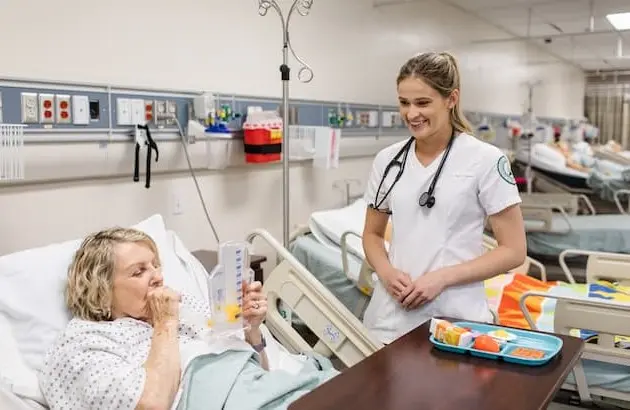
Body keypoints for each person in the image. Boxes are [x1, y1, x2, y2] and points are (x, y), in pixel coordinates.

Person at [39, 227, 337, 410]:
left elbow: (254, 364)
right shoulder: (84, 343)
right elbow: (152, 404)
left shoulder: (186, 307)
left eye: (155, 266)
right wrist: (164, 323)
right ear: (101, 289)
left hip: (270, 387)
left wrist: (253, 331)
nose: (157, 277)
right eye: (139, 271)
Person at [361, 51, 527, 344]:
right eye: (404, 103)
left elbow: (513, 250)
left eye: (423, 103)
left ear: (451, 99)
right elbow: (372, 234)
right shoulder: (388, 160)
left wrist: (441, 278)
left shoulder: (485, 159)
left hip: (456, 316)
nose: (411, 114)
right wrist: (386, 271)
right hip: (389, 318)